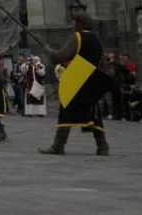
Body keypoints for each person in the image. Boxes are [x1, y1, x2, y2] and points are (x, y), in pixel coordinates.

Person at [40, 11, 111, 155]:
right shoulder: (97, 40)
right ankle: (103, 146)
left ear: (79, 23)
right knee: (93, 114)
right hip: (91, 81)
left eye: (74, 21)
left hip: (76, 82)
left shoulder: (78, 37)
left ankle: (58, 146)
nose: (72, 24)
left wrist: (48, 51)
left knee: (66, 111)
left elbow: (59, 56)